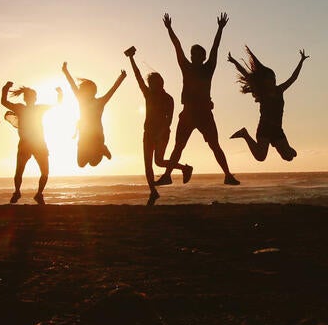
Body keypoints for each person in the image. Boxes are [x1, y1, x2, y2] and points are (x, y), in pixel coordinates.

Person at [157, 13, 239, 185]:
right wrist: (170, 29)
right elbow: (177, 47)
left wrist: (220, 28)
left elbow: (215, 48)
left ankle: (228, 175)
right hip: (187, 113)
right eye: (192, 54)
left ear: (202, 57)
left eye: (197, 54)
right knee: (178, 146)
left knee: (215, 145)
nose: (194, 56)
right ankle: (167, 176)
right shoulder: (186, 67)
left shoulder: (208, 68)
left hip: (204, 114)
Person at [125, 46, 192, 204]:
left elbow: (169, 120)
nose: (155, 85)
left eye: (158, 82)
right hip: (148, 133)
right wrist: (131, 59)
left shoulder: (168, 98)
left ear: (162, 82)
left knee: (159, 162)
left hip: (162, 133)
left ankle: (185, 168)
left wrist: (161, 133)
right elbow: (138, 77)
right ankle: (153, 192)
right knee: (149, 164)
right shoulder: (148, 94)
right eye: (152, 83)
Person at [227, 47, 307, 162]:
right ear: (264, 81)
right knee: (260, 157)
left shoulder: (280, 90)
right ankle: (244, 134)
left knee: (288, 157)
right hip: (264, 128)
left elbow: (293, 78)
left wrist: (301, 61)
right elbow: (246, 74)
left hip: (277, 129)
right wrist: (234, 61)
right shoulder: (262, 93)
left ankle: (287, 149)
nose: (273, 80)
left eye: (274, 78)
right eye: (270, 79)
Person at [2, 81, 61, 205]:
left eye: (32, 97)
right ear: (27, 98)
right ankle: (18, 192)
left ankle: (38, 194)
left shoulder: (38, 108)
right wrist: (5, 88)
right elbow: (4, 102)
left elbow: (58, 104)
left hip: (38, 143)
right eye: (29, 97)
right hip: (27, 144)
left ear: (35, 98)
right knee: (20, 171)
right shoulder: (21, 108)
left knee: (44, 172)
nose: (31, 99)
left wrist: (60, 94)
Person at [61, 61, 125, 167]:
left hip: (96, 137)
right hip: (84, 135)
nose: (82, 92)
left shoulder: (100, 102)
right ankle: (100, 149)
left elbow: (112, 90)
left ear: (93, 92)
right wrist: (65, 71)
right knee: (81, 164)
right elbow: (72, 85)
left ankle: (102, 148)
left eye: (85, 90)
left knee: (94, 163)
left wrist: (121, 78)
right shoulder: (82, 100)